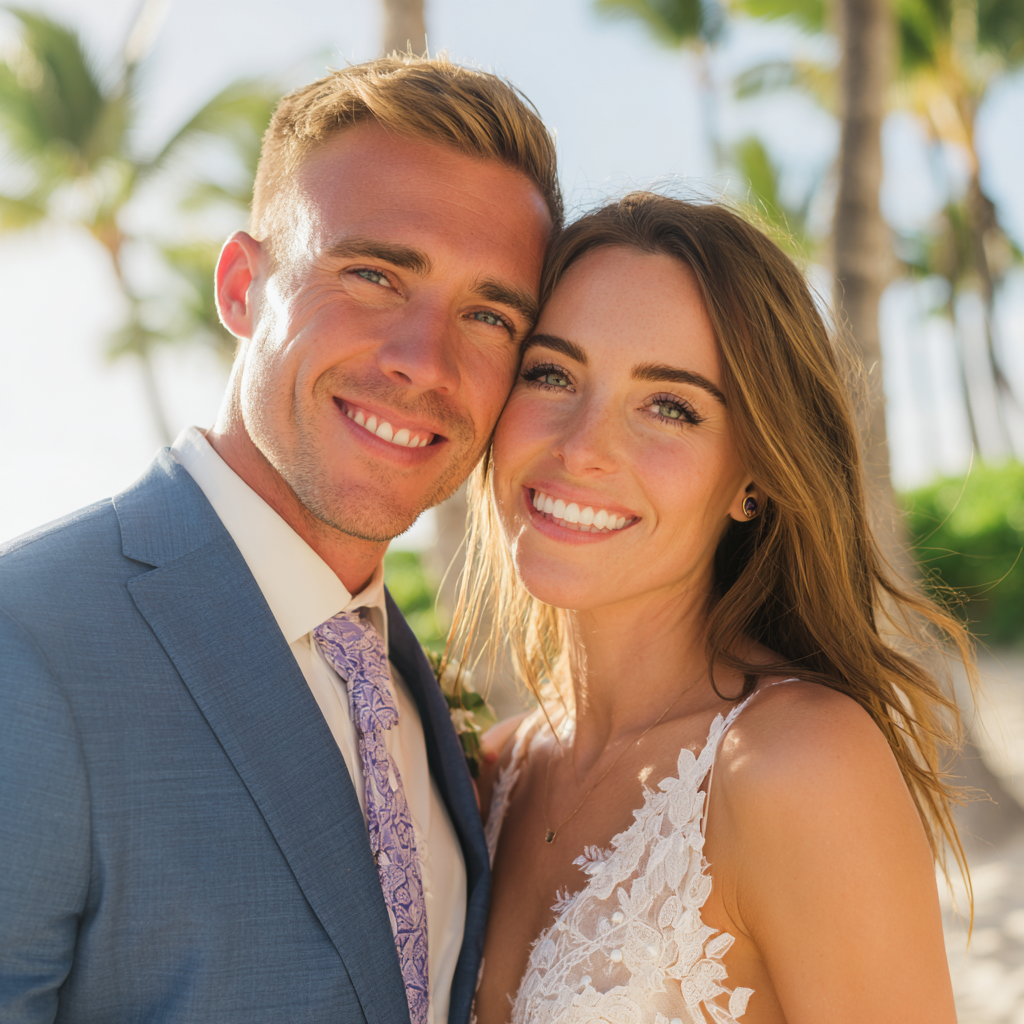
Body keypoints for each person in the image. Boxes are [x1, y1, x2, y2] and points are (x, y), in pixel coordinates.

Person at [0, 55, 558, 1024]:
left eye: (487, 314)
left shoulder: (415, 693)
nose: (425, 363)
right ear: (241, 288)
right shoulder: (31, 641)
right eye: (374, 275)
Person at [458, 192, 971, 1023]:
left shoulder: (797, 766)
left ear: (753, 479)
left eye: (670, 406)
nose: (581, 448)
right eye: (551, 374)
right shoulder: (492, 773)